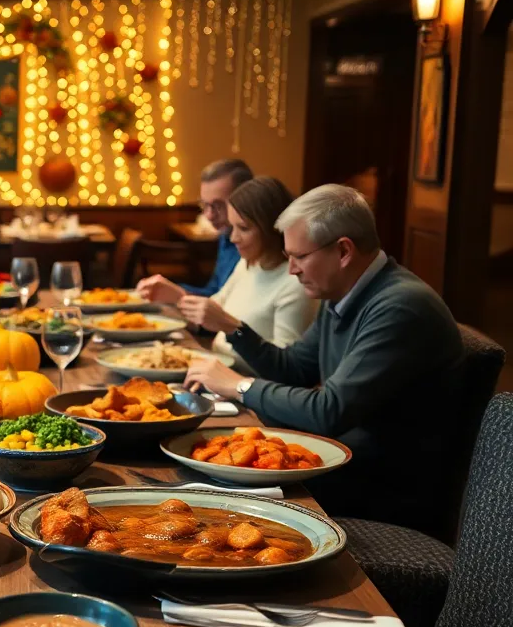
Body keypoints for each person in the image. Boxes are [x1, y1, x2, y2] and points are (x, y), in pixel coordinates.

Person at [183, 184, 462, 526]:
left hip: (384, 490)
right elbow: (293, 369)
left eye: (299, 257)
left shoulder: (400, 306)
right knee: (198, 470)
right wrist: (235, 330)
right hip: (344, 465)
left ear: (343, 251)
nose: (292, 270)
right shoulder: (343, 292)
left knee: (205, 501)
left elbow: (329, 410)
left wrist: (239, 386)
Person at [140, 176, 317, 368]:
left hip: (241, 386)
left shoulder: (296, 284)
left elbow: (287, 371)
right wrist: (178, 297)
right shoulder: (248, 264)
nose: (233, 238)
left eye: (243, 228)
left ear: (272, 229)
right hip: (215, 370)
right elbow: (210, 316)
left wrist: (230, 327)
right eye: (232, 227)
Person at [138, 158, 253, 298]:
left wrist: (179, 294)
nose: (209, 215)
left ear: (246, 198)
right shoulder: (225, 235)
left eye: (218, 205)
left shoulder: (253, 244)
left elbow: (229, 306)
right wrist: (171, 289)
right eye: (204, 205)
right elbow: (215, 291)